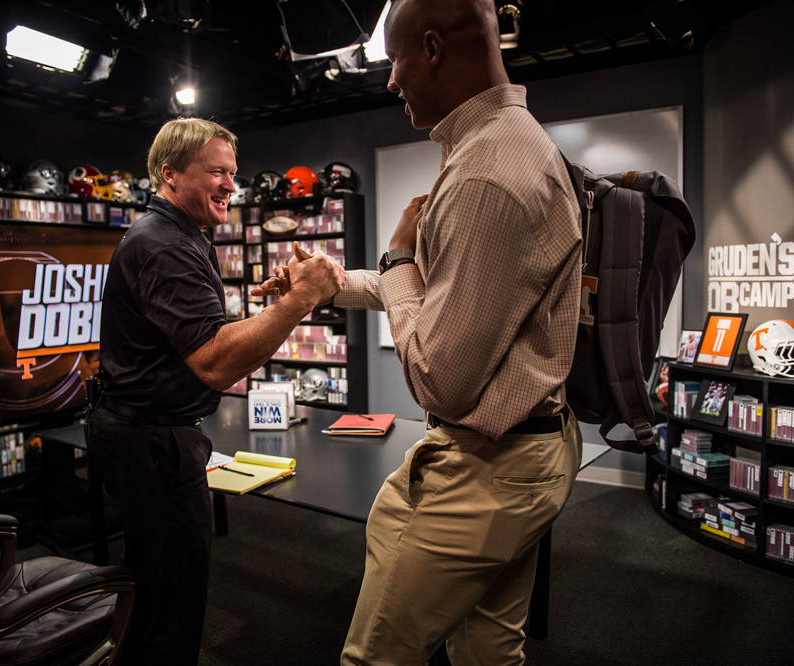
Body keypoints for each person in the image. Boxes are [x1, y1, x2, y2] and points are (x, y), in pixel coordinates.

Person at [259, 0, 583, 662]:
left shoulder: (488, 172)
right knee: (488, 649)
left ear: (432, 48)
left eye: (398, 59)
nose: (390, 81)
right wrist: (334, 281)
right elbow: (446, 299)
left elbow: (441, 378)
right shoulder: (494, 148)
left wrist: (398, 256)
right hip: (523, 455)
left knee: (375, 656)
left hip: (487, 471)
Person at [85, 117, 341, 664]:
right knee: (169, 601)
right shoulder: (165, 245)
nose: (230, 184)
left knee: (158, 583)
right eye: (216, 172)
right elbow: (216, 364)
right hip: (150, 442)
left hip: (145, 433)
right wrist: (298, 302)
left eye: (233, 172)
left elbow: (202, 340)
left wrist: (267, 309)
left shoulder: (176, 234)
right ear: (170, 174)